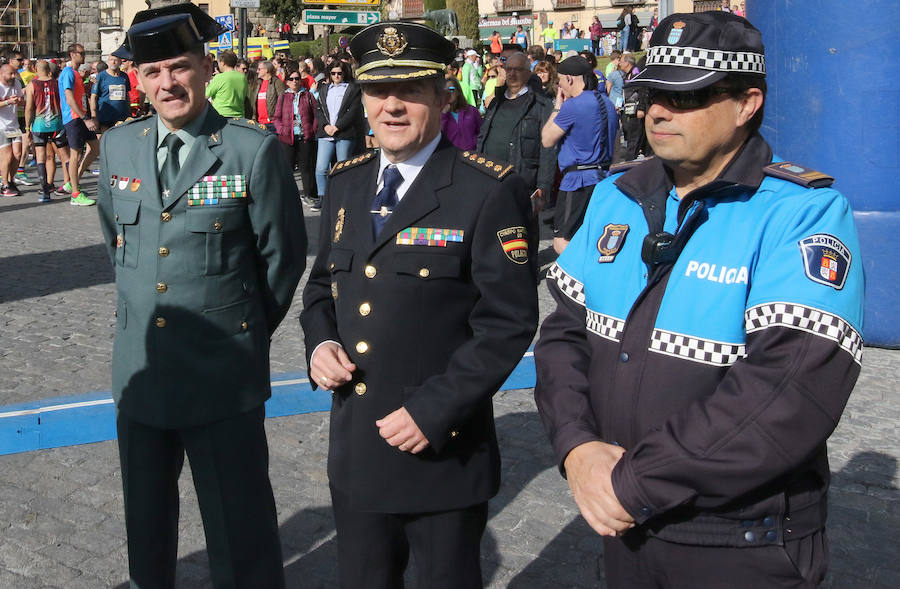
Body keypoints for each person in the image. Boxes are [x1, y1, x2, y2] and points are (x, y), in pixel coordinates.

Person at [534, 11, 864, 589]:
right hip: (625, 530)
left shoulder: (800, 212)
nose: (658, 111)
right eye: (652, 94)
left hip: (738, 540)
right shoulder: (617, 195)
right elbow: (563, 334)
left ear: (746, 103)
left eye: (685, 97)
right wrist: (577, 447)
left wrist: (633, 483)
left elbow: (788, 390)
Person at [300, 21, 538, 588]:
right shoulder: (348, 182)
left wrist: (435, 411)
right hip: (358, 449)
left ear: (442, 93)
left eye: (411, 90)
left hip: (440, 453)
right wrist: (321, 343)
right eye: (379, 91)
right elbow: (319, 289)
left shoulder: (485, 190)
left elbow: (507, 321)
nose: (392, 106)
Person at [95, 4, 307, 587]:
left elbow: (281, 262)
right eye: (155, 71)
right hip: (141, 371)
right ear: (139, 79)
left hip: (222, 378)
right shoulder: (118, 149)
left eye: (180, 67)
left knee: (240, 530)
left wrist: (236, 332)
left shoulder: (250, 150)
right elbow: (118, 240)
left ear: (205, 67)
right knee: (147, 527)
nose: (168, 83)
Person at [541, 56, 617, 254]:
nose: (560, 87)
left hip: (577, 181)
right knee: (592, 236)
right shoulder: (608, 104)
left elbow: (547, 139)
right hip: (604, 179)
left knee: (561, 241)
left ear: (570, 79)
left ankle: (580, 280)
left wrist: (558, 106)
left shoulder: (572, 106)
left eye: (560, 81)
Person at [478, 52, 556, 208]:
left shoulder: (541, 104)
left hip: (522, 183)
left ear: (528, 73)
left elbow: (548, 149)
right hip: (490, 180)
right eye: (509, 69)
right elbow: (482, 138)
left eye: (518, 69)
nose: (512, 73)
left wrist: (543, 186)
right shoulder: (496, 103)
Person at [314, 59, 362, 209]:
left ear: (344, 73)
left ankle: (345, 197)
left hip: (344, 133)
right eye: (333, 73)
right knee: (321, 168)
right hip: (326, 132)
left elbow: (353, 111)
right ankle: (323, 196)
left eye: (339, 73)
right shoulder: (324, 89)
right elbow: (319, 109)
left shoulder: (353, 89)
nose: (336, 76)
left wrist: (338, 126)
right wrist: (325, 125)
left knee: (343, 166)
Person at [59, 43, 99, 205]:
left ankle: (73, 181)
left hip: (81, 117)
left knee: (95, 148)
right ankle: (75, 194)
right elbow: (69, 99)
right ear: (72, 54)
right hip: (75, 118)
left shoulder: (76, 74)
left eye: (84, 53)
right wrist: (85, 118)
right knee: (75, 155)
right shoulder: (68, 72)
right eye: (81, 53)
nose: (84, 56)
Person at [24, 59, 69, 203]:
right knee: (66, 157)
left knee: (41, 158)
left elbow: (29, 108)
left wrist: (27, 127)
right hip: (56, 124)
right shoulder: (56, 83)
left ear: (36, 69)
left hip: (39, 126)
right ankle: (74, 185)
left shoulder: (32, 85)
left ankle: (45, 192)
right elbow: (64, 103)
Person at [273, 68, 318, 206]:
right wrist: (281, 130)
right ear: (287, 82)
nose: (294, 82)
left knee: (306, 168)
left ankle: (308, 194)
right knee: (287, 168)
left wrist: (312, 129)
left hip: (305, 136)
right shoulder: (283, 97)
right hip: (287, 137)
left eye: (297, 79)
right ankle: (287, 195)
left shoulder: (308, 95)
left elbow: (316, 115)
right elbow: (277, 117)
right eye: (291, 79)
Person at [90, 52, 131, 133]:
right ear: (108, 62)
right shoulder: (101, 76)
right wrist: (94, 116)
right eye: (111, 60)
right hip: (105, 118)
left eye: (115, 60)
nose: (113, 62)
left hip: (122, 118)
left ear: (120, 62)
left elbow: (127, 95)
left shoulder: (124, 77)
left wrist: (129, 112)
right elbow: (93, 97)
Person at [0, 64, 24, 197]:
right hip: (1, 125)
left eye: (14, 73)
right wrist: (8, 102)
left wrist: (20, 101)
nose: (14, 76)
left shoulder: (16, 84)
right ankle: (4, 184)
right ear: (2, 73)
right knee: (7, 155)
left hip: (14, 125)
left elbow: (21, 101)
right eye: (11, 74)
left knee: (18, 154)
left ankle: (11, 180)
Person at [441, 78, 481, 151]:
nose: (448, 93)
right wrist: (443, 115)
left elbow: (481, 133)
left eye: (451, 89)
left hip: (471, 155)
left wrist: (474, 143)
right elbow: (438, 137)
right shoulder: (438, 114)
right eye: (444, 90)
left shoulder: (472, 111)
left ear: (458, 92)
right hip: (450, 156)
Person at [205, 50, 248, 117]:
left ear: (223, 63)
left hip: (222, 115)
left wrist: (206, 86)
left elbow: (205, 95)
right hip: (239, 116)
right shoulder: (242, 77)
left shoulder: (219, 77)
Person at [250, 60, 285, 132]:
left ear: (266, 70)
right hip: (259, 123)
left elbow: (283, 101)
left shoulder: (277, 82)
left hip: (272, 124)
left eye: (259, 69)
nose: (257, 71)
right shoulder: (258, 83)